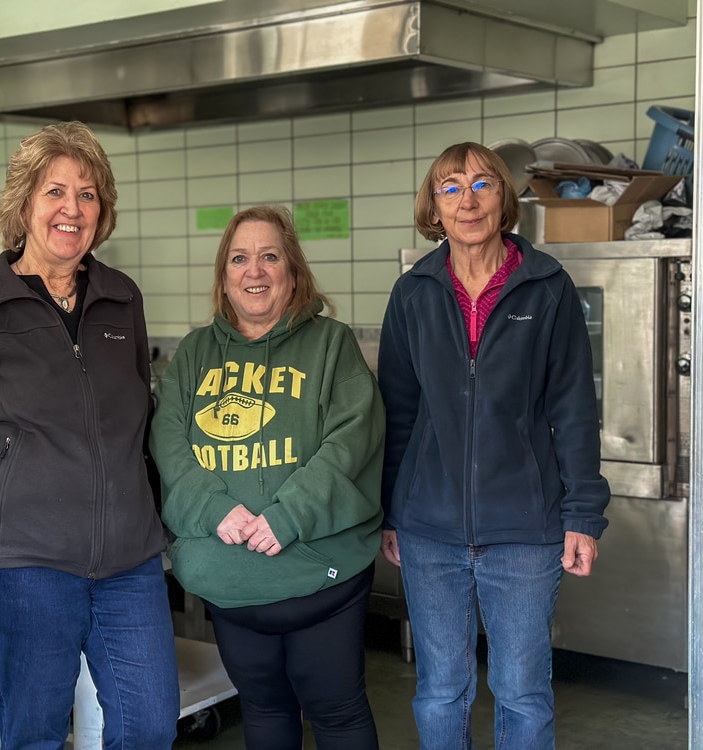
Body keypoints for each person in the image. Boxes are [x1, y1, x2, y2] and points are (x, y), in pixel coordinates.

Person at [0, 121, 180, 750]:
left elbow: (139, 424)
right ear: (24, 205)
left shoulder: (123, 300)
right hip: (27, 567)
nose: (72, 208)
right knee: (34, 733)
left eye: (88, 194)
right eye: (55, 192)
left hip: (129, 564)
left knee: (150, 726)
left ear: (103, 211)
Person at [377, 141, 610, 749]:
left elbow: (575, 410)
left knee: (523, 695)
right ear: (434, 206)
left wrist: (583, 514)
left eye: (482, 184)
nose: (468, 199)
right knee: (439, 691)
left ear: (504, 197)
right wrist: (394, 513)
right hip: (430, 531)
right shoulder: (413, 294)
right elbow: (399, 414)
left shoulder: (547, 287)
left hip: (525, 531)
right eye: (450, 187)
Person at [150, 204, 385, 750]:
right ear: (224, 277)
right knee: (264, 711)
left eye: (269, 256)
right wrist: (215, 510)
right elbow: (169, 444)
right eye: (239, 258)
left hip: (318, 576)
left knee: (337, 713)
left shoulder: (332, 345)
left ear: (293, 272)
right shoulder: (193, 354)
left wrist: (287, 516)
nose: (253, 271)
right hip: (229, 580)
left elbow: (351, 443)